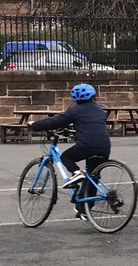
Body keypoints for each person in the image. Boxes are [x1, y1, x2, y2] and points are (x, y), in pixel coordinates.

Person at [26, 83, 111, 218]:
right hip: (104, 146)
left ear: (75, 98)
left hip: (86, 145)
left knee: (66, 157)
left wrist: (35, 125)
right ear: (93, 96)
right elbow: (90, 125)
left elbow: (56, 121)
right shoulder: (100, 111)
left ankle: (76, 172)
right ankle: (84, 208)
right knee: (93, 175)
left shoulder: (75, 111)